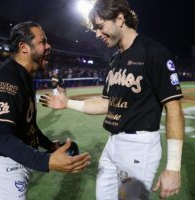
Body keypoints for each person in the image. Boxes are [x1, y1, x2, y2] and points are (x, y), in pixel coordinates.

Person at [40, 0, 185, 199]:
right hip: (112, 144)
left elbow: (174, 109)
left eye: (100, 27)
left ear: (119, 19)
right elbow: (106, 103)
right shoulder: (115, 59)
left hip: (139, 147)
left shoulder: (153, 52)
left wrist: (173, 168)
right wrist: (67, 103)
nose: (97, 34)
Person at [0, 21, 91, 200]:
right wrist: (47, 161)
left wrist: (49, 145)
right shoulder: (5, 81)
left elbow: (27, 125)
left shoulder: (23, 76)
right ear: (24, 47)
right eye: (43, 42)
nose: (49, 46)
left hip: (12, 160)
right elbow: (1, 138)